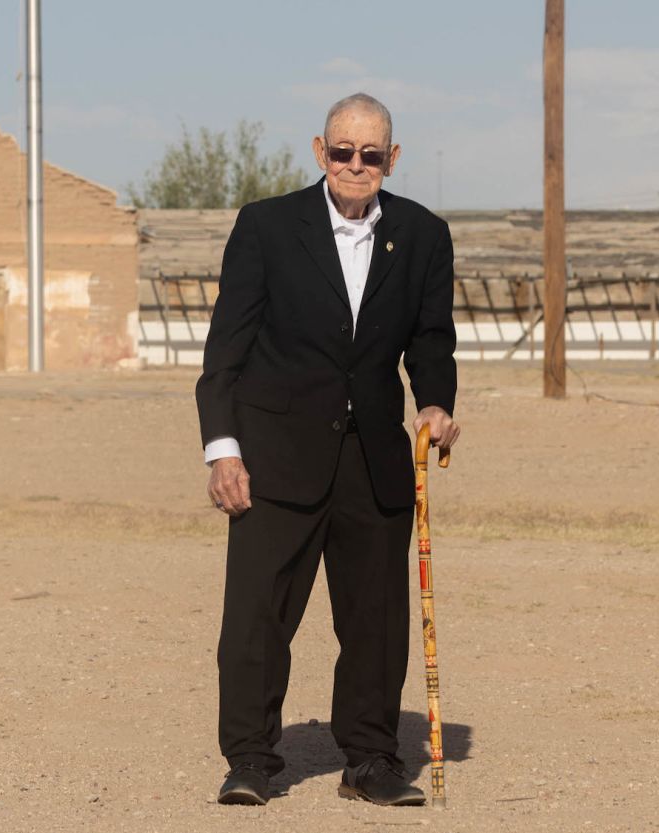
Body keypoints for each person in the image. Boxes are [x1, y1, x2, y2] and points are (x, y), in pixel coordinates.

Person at [195, 92, 460, 807]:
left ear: (390, 159)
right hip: (273, 454)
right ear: (320, 151)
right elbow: (227, 347)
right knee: (257, 617)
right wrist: (224, 449)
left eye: (370, 154)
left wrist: (436, 402)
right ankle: (250, 756)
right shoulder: (266, 227)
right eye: (342, 151)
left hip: (373, 458)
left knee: (375, 620)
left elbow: (431, 339)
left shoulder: (425, 234)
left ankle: (372, 759)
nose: (355, 165)